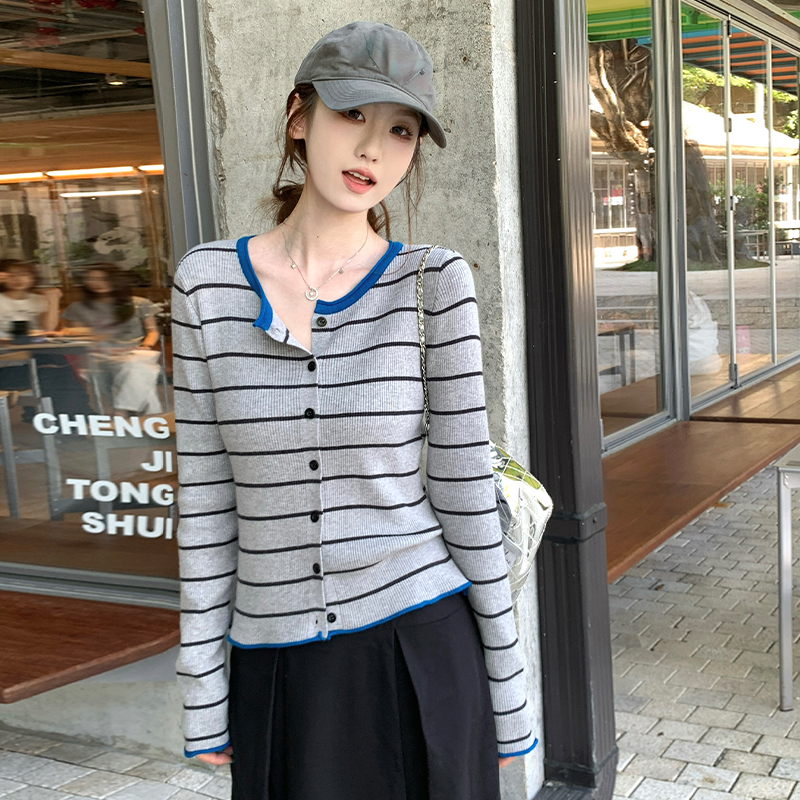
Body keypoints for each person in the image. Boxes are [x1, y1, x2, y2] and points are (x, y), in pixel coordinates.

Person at [172, 22, 535, 800]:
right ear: (298, 117)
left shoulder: (433, 284)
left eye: (401, 130)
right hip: (278, 666)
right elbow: (205, 504)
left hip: (422, 647)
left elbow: (464, 491)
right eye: (352, 114)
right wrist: (202, 690)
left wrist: (509, 697)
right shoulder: (205, 285)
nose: (373, 148)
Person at [59, 264, 163, 415]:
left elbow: (152, 331)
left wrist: (145, 346)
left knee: (136, 365)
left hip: (136, 350)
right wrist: (102, 347)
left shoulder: (138, 304)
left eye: (104, 279)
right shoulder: (78, 307)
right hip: (99, 353)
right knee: (142, 373)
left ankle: (121, 412)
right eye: (92, 279)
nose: (97, 283)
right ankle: (150, 418)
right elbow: (76, 336)